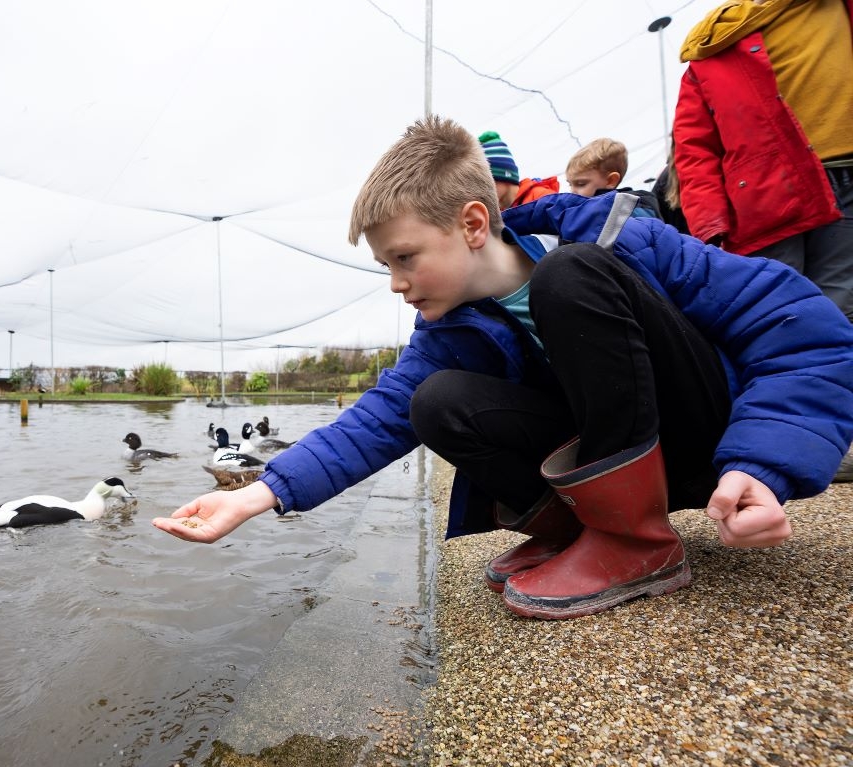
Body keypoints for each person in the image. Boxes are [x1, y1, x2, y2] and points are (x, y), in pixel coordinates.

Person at [153, 116, 853, 621]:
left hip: (705, 446)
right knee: (435, 400)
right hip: (629, 474)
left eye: (404, 257)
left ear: (474, 224)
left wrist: (761, 463)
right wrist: (253, 496)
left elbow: (803, 331)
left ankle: (637, 546)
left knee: (570, 280)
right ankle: (591, 532)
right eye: (384, 266)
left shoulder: (613, 237)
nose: (396, 282)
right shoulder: (450, 327)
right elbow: (372, 423)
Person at [672, 0, 853, 320]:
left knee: (821, 310)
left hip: (816, 180)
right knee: (786, 312)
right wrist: (711, 228)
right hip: (769, 195)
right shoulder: (712, 42)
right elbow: (695, 151)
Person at [564, 137, 662, 218]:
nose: (573, 191)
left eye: (581, 184)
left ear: (611, 180)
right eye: (570, 184)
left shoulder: (631, 212)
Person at [478, 130, 559, 209]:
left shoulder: (542, 199)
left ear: (505, 174)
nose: (481, 190)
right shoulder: (493, 215)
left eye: (485, 181)